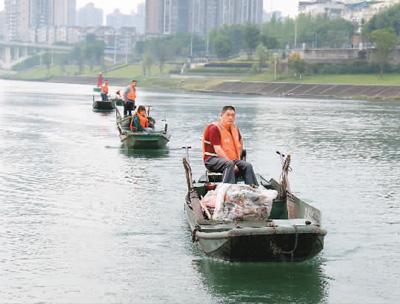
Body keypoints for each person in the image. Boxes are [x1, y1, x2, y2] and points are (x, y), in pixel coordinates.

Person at [202, 105, 258, 186]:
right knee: (229, 164)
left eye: (233, 115)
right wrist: (233, 163)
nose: (231, 117)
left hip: (229, 160)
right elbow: (218, 150)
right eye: (228, 115)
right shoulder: (214, 128)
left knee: (247, 165)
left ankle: (254, 189)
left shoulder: (234, 128)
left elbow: (240, 143)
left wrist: (238, 160)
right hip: (212, 160)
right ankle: (228, 190)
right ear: (221, 116)